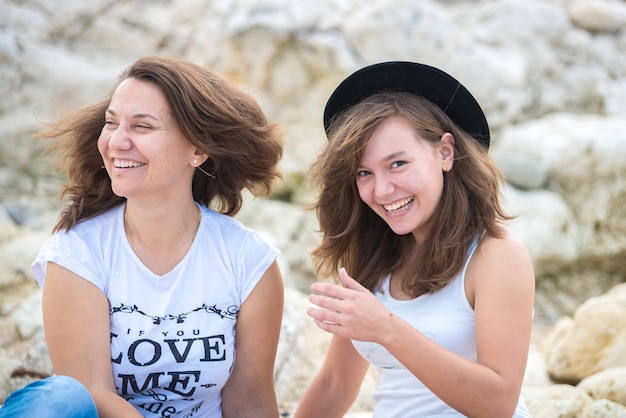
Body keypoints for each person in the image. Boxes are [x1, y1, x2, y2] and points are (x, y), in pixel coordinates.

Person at [0, 55, 285, 418]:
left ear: (198, 150)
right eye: (111, 123)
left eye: (142, 126)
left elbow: (252, 402)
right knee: (60, 399)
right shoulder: (78, 251)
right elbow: (91, 393)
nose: (117, 142)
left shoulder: (248, 260)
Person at [294, 61, 535, 417]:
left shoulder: (496, 255)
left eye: (397, 164)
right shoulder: (372, 258)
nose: (382, 190)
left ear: (445, 152)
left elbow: (498, 403)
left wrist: (387, 329)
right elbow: (335, 384)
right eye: (364, 172)